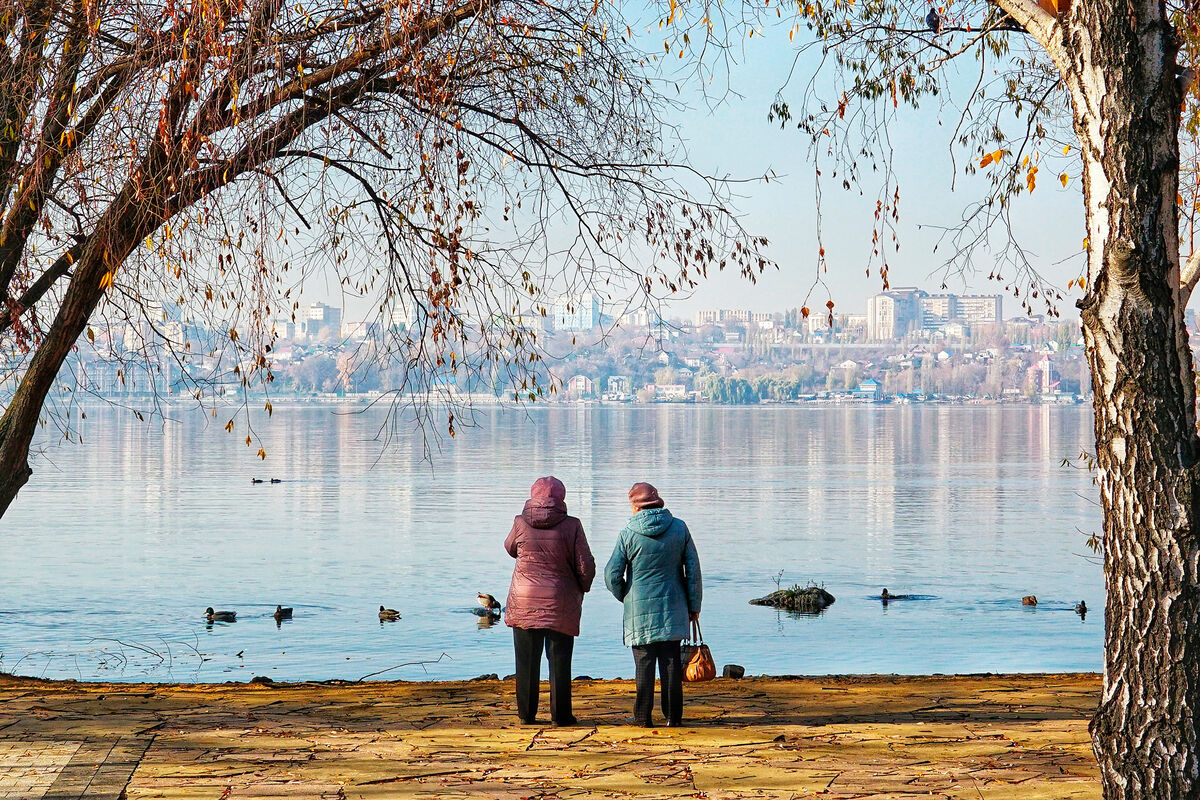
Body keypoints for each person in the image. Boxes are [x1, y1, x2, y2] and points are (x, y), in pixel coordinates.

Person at [605, 482, 702, 727]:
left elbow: (611, 575)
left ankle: (642, 717)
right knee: (671, 662)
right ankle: (673, 717)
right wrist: (694, 604)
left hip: (640, 610)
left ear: (635, 505)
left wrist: (626, 596)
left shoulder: (628, 532)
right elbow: (693, 570)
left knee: (644, 665)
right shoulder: (679, 528)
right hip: (674, 606)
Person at [504, 476, 596, 726]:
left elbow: (510, 548)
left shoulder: (520, 523)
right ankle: (561, 715)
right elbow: (584, 564)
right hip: (559, 601)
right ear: (561, 497)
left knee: (526, 661)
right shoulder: (572, 525)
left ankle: (526, 714)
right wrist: (583, 587)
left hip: (524, 601)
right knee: (559, 661)